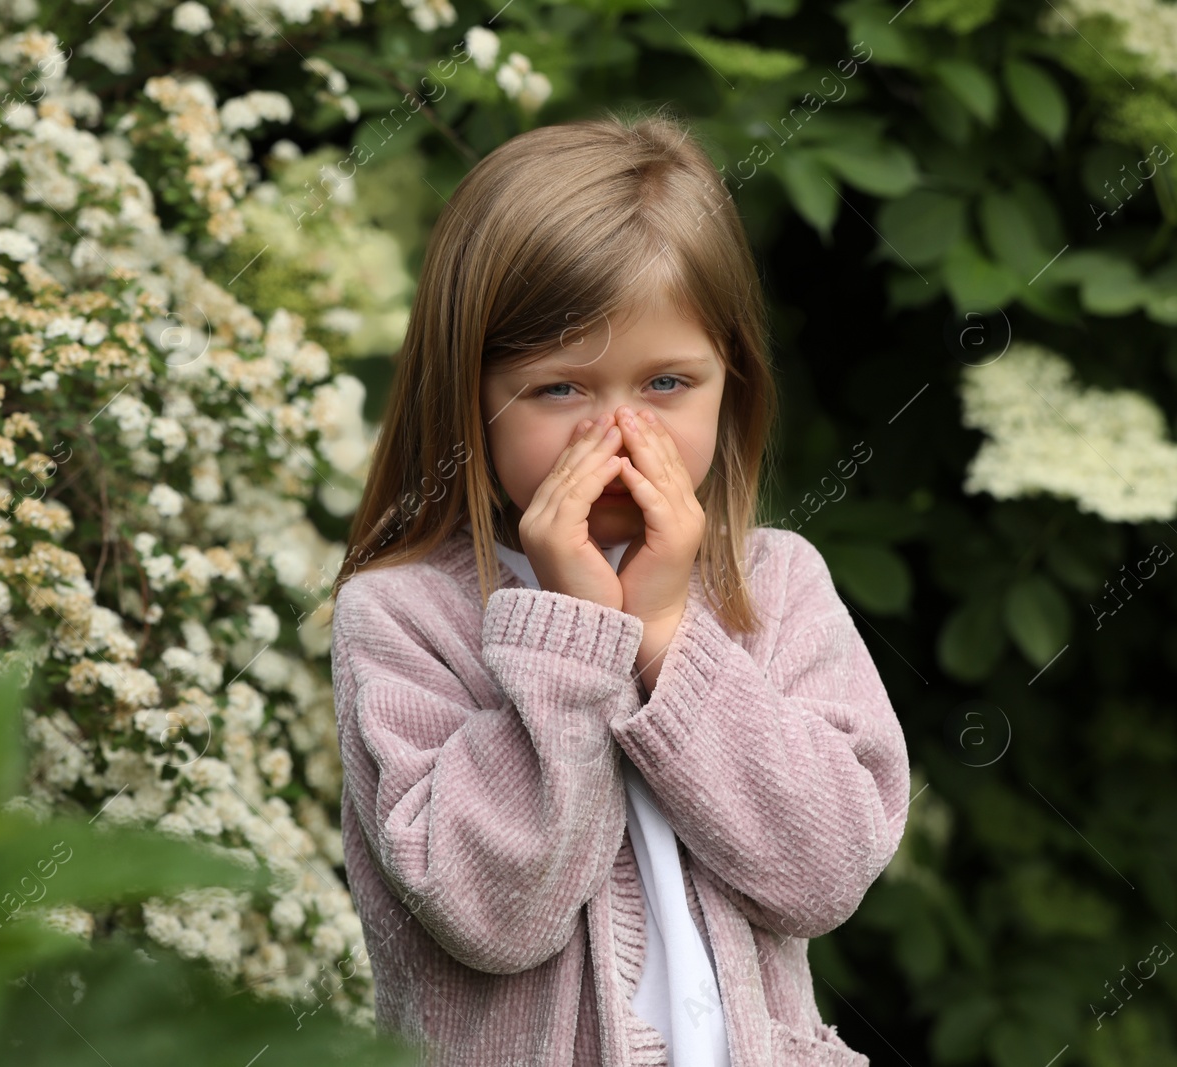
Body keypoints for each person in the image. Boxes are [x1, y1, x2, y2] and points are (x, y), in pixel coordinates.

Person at [328, 106, 911, 1067]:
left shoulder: (774, 584)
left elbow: (827, 868)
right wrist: (572, 639)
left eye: (668, 384)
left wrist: (670, 629)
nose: (616, 437)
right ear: (467, 392)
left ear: (735, 388)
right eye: (560, 388)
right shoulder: (400, 618)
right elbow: (490, 912)